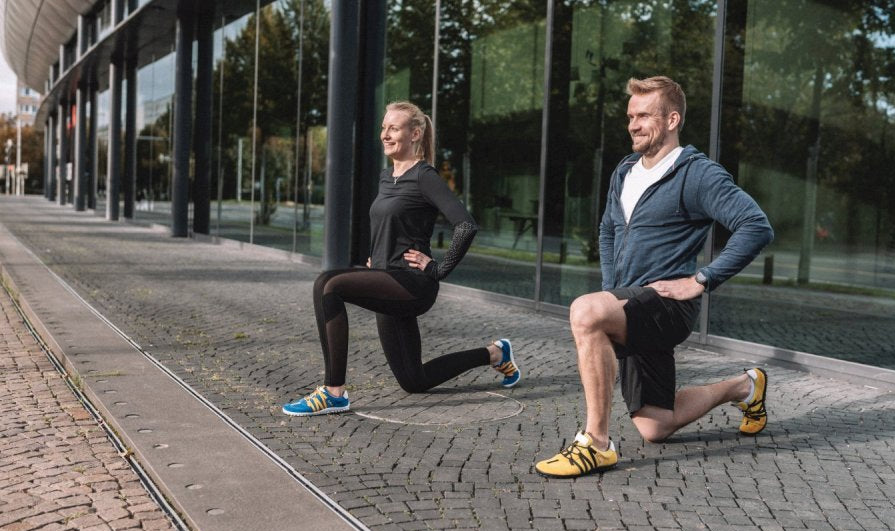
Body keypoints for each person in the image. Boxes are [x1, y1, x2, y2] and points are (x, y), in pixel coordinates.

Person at [535, 76, 774, 478]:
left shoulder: (696, 174)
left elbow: (755, 225)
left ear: (671, 119)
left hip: (666, 305)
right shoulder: (625, 170)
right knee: (655, 426)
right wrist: (612, 290)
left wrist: (701, 280)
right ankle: (745, 387)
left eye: (644, 115)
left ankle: (595, 443)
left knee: (586, 312)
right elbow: (608, 230)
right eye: (630, 116)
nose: (633, 124)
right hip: (630, 302)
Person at [282, 101, 521, 416]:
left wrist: (439, 268)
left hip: (412, 284)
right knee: (414, 380)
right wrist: (375, 259)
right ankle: (495, 354)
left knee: (327, 284)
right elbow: (393, 226)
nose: (385, 134)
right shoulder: (386, 177)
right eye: (384, 127)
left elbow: (466, 225)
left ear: (415, 134)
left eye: (393, 128)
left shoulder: (424, 176)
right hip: (386, 282)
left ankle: (333, 392)